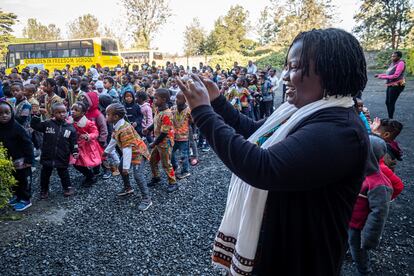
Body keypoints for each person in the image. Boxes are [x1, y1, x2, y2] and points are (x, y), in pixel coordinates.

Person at [177, 28, 369, 275]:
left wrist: (203, 113)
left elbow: (263, 167)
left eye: (295, 67)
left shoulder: (339, 131)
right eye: (286, 67)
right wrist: (217, 103)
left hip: (300, 261)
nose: (285, 76)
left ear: (330, 72)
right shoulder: (298, 112)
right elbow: (255, 134)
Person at [348, 135, 393, 275]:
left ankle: (364, 271)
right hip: (348, 220)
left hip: (358, 228)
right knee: (348, 242)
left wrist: (369, 237)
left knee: (358, 252)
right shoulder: (356, 172)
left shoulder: (379, 184)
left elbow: (379, 213)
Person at [103, 103, 152, 211]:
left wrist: (126, 167)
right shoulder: (117, 125)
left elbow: (127, 148)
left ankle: (147, 198)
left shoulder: (124, 129)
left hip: (138, 153)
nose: (105, 116)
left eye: (107, 114)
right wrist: (106, 152)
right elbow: (114, 139)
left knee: (138, 175)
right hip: (130, 153)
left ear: (115, 116)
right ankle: (128, 188)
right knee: (120, 168)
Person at [31, 103, 78, 199]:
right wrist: (37, 115)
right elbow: (34, 125)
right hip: (47, 155)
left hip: (62, 155)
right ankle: (44, 190)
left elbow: (74, 142)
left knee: (63, 172)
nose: (62, 114)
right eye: (58, 112)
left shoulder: (70, 128)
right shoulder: (47, 124)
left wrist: (75, 151)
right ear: (53, 114)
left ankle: (67, 187)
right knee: (45, 174)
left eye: (64, 112)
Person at [0, 100, 34, 211]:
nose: (4, 116)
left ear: (12, 113)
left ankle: (25, 199)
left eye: (7, 112)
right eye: (0, 113)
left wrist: (29, 160)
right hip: (9, 159)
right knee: (13, 180)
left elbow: (28, 143)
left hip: (22, 160)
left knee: (23, 180)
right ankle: (18, 196)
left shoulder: (17, 127)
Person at [144, 88, 177, 193]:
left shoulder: (167, 114)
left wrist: (154, 143)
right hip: (158, 142)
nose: (154, 100)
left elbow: (164, 133)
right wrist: (148, 129)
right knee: (152, 160)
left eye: (156, 98)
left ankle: (173, 182)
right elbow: (155, 122)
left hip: (164, 143)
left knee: (166, 163)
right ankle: (156, 177)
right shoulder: (158, 109)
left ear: (163, 99)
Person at [70, 102, 102, 186]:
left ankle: (93, 174)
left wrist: (89, 136)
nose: (73, 111)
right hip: (77, 145)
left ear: (83, 113)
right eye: (72, 109)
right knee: (77, 162)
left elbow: (95, 132)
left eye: (76, 110)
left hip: (88, 145)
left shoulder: (88, 123)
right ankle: (90, 175)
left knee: (92, 160)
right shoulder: (70, 121)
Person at [375, 51, 406, 119]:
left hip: (398, 85)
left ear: (399, 57)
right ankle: (390, 118)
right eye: (392, 56)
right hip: (391, 84)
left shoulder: (401, 63)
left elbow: (395, 76)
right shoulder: (393, 63)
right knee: (387, 102)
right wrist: (379, 75)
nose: (392, 57)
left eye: (394, 56)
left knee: (391, 102)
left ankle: (390, 119)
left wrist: (382, 77)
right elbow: (388, 74)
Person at [171, 91, 191, 179]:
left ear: (185, 100)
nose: (176, 100)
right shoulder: (173, 108)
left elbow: (193, 121)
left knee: (184, 155)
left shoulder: (188, 110)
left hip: (184, 137)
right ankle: (175, 166)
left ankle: (185, 171)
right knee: (171, 153)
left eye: (179, 98)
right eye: (176, 98)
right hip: (174, 136)